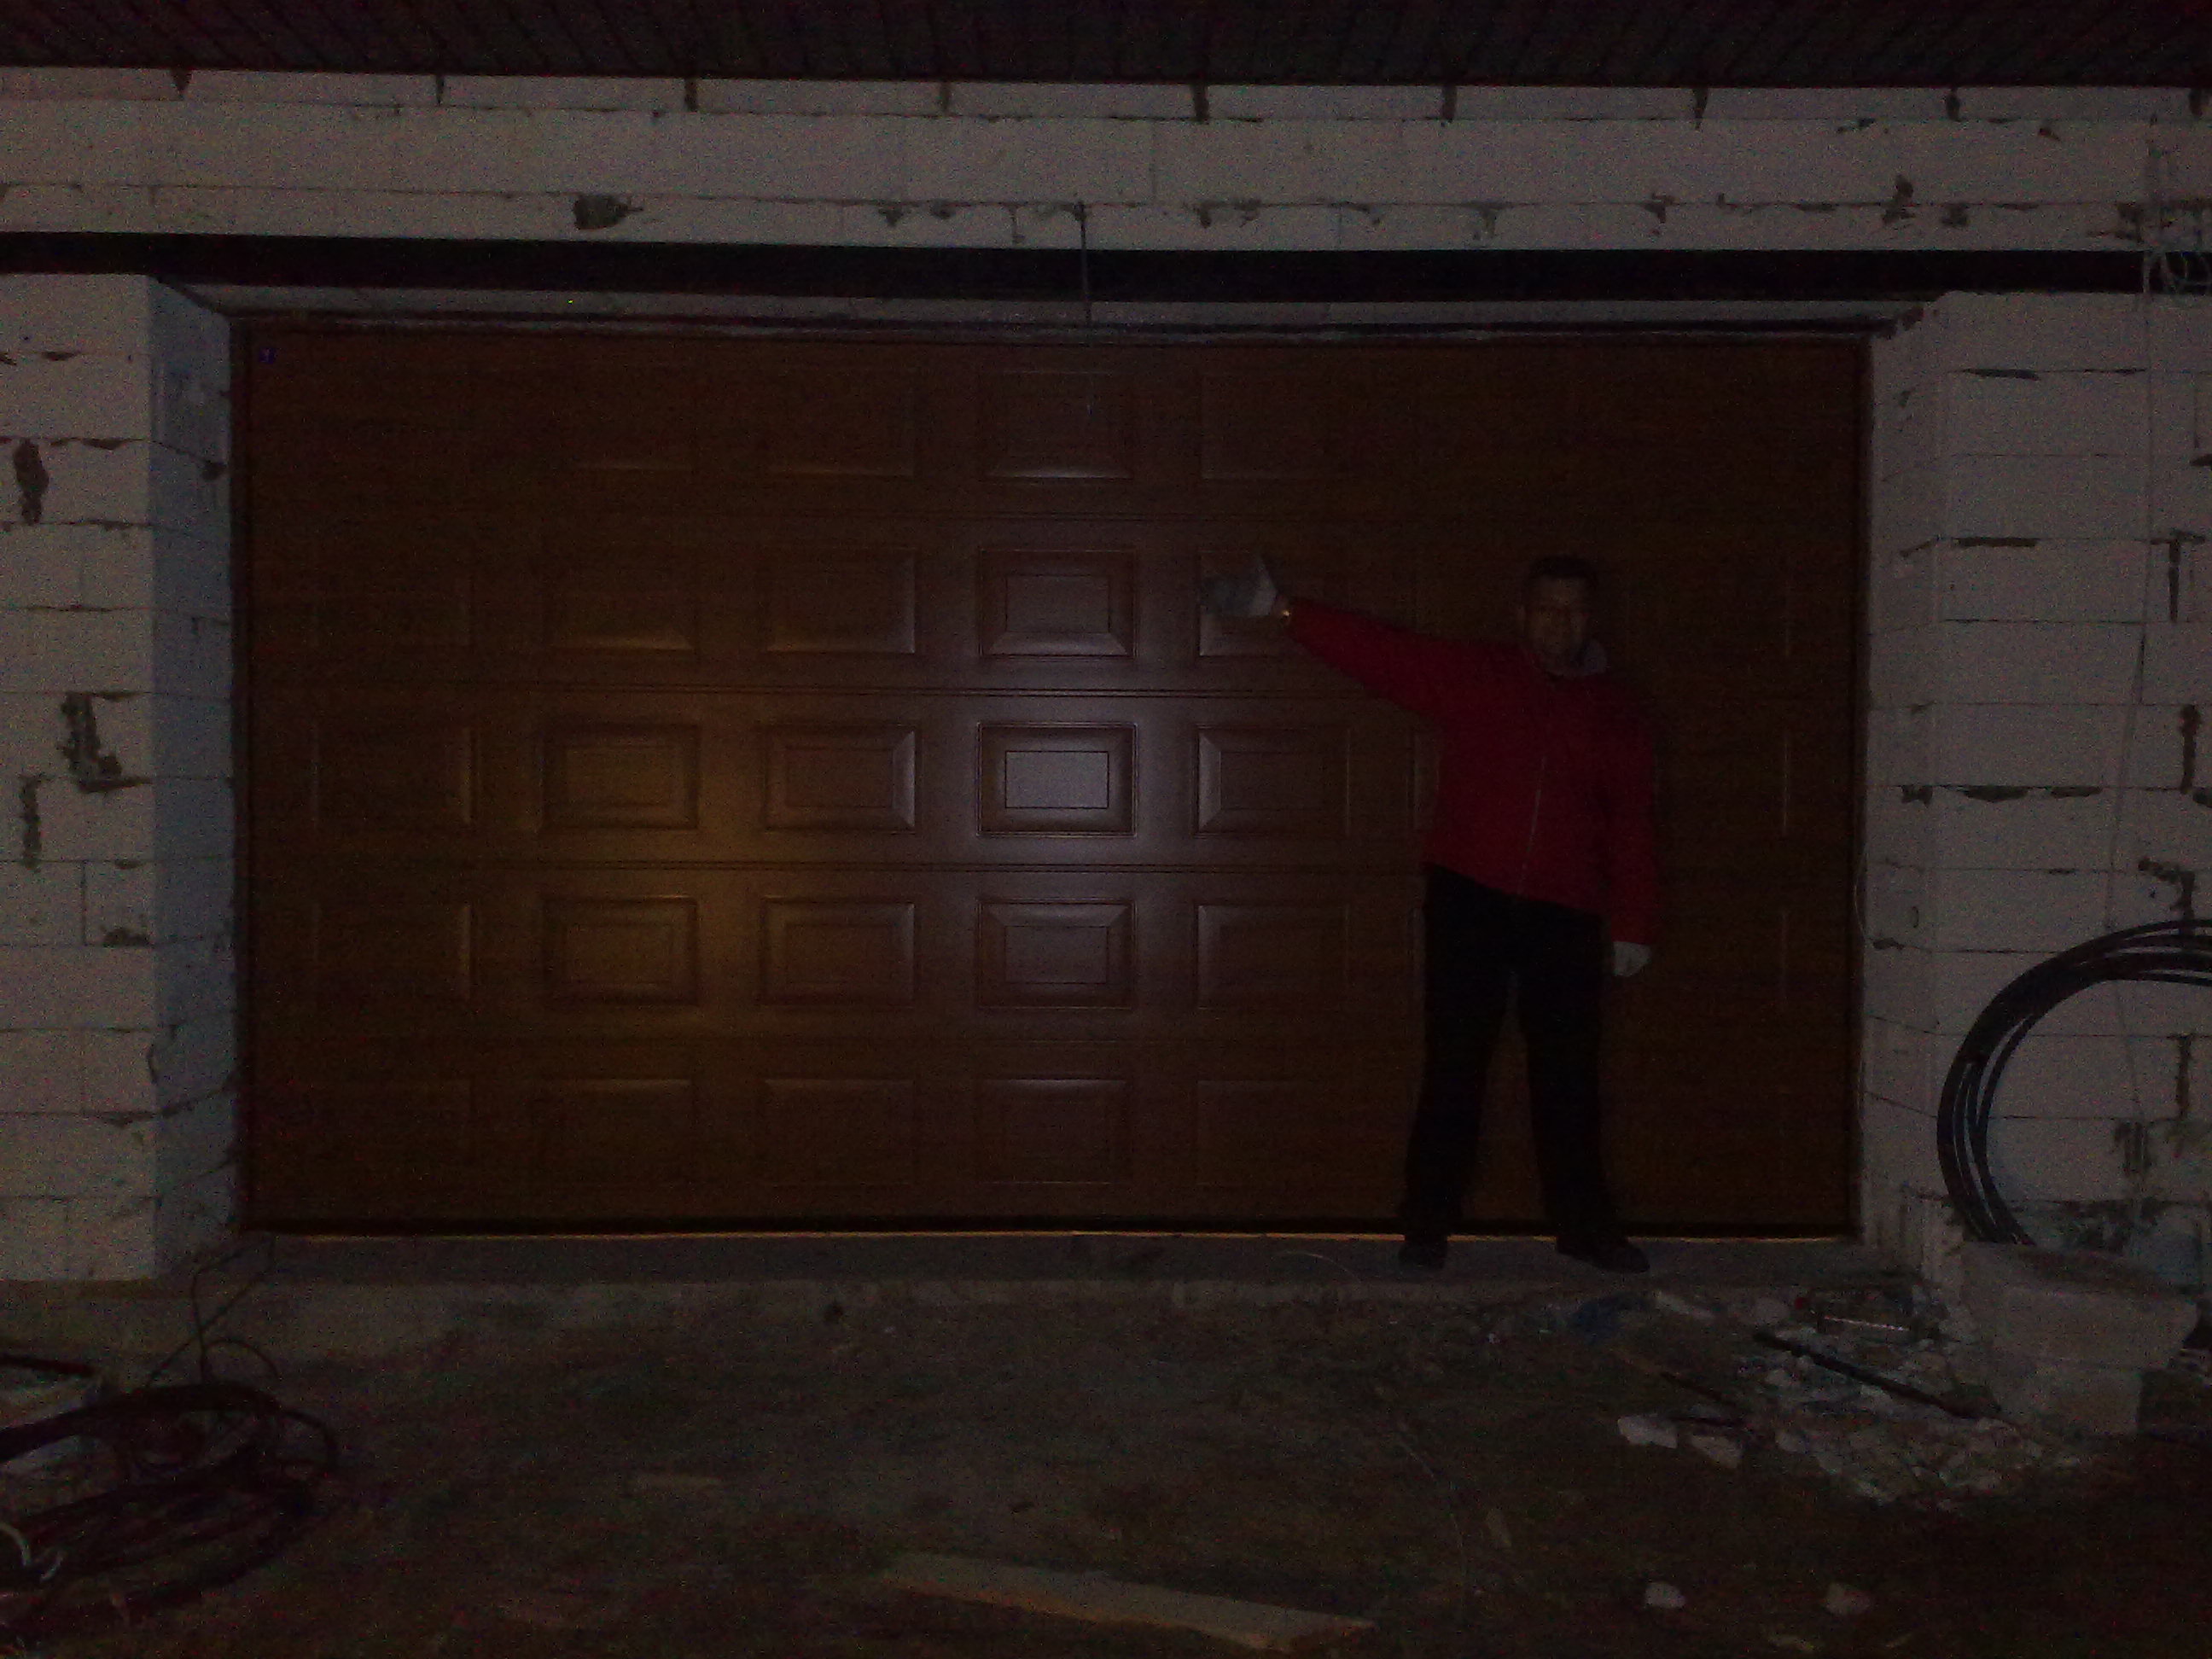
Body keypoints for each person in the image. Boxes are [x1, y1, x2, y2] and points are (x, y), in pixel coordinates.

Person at [1201, 555, 1658, 1273]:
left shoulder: (1617, 711)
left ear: (1590, 619)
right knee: (1455, 1067)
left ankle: (1585, 1227)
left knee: (1568, 1076)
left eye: (1572, 610)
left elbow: (1632, 823)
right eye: (1546, 608)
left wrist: (1633, 924)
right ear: (1522, 615)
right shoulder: (1480, 675)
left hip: (1565, 911)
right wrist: (1285, 610)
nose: (1559, 623)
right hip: (1470, 898)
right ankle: (1426, 1224)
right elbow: (1385, 654)